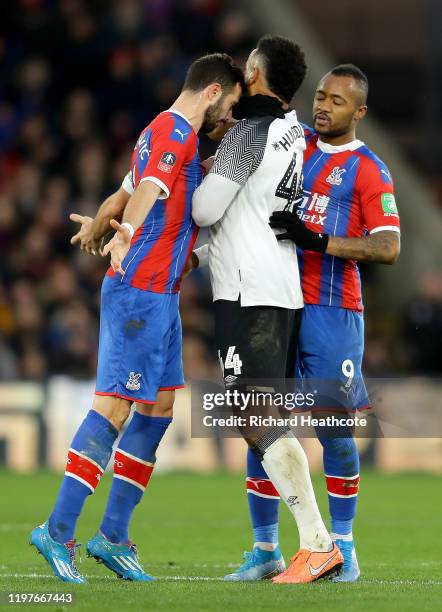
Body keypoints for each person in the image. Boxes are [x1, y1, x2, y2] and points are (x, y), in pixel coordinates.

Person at [30, 53, 244, 584]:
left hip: (162, 294)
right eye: (233, 105)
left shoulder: (166, 134)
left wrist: (98, 223)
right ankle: (57, 532)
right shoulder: (174, 135)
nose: (232, 119)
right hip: (140, 291)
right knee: (116, 408)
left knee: (159, 407)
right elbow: (146, 194)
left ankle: (114, 535)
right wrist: (124, 232)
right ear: (213, 91)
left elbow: (124, 190)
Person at [227, 64, 400, 582]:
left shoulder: (371, 170)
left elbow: (388, 247)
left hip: (332, 311)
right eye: (320, 96)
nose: (323, 106)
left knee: (336, 431)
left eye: (338, 101)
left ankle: (342, 548)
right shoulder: (292, 142)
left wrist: (316, 241)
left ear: (359, 112)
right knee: (263, 425)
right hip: (275, 304)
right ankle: (265, 550)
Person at [192, 35, 344, 584]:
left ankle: (317, 544)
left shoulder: (251, 131)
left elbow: (207, 207)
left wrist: (204, 171)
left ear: (254, 70)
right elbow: (254, 211)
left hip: (248, 290)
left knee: (254, 415)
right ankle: (297, 547)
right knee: (262, 417)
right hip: (279, 286)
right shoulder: (289, 130)